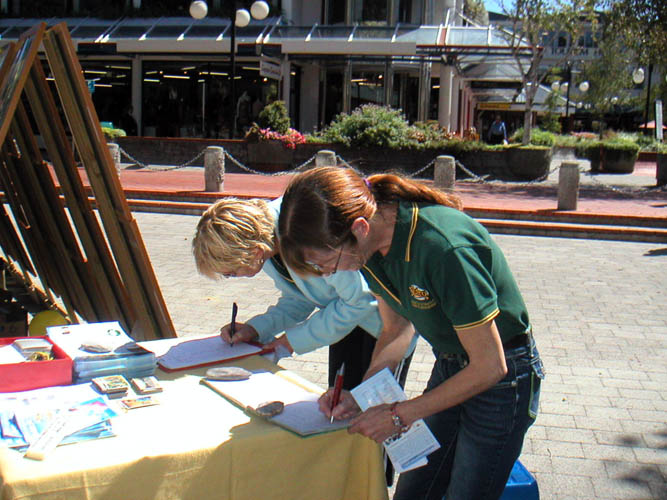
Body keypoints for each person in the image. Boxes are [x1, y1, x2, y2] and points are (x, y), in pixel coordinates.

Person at [278, 167, 544, 500]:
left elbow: (491, 366)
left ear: (359, 228)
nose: (328, 273)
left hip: (503, 380)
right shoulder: (369, 248)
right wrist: (361, 396)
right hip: (453, 363)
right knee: (414, 491)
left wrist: (398, 415)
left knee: (466, 492)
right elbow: (397, 328)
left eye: (326, 261)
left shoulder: (444, 248)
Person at [191, 197, 415, 394]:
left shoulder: (304, 229)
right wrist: (256, 329)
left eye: (231, 273)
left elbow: (360, 301)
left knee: (376, 405)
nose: (233, 277)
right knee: (340, 404)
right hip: (346, 320)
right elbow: (300, 296)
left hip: (389, 324)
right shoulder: (265, 240)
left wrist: (291, 342)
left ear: (255, 252)